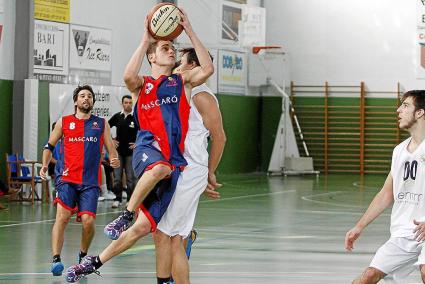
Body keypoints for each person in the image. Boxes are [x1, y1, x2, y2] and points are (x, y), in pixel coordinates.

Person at [64, 8, 213, 283]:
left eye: (172, 48)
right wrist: (146, 39)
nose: (171, 51)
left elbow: (208, 69)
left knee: (146, 228)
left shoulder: (181, 82)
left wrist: (190, 29)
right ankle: (125, 213)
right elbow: (128, 74)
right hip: (148, 150)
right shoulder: (142, 85)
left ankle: (91, 262)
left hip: (175, 164)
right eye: (165, 47)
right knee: (159, 171)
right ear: (152, 57)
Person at [154, 47, 226, 284]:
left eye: (181, 62)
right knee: (176, 237)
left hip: (192, 170)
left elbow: (220, 137)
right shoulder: (183, 92)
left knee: (164, 233)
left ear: (194, 66)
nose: (176, 67)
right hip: (181, 170)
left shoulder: (202, 96)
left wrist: (209, 173)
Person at [345, 90, 425, 283]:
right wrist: (359, 226)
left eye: (405, 105)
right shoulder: (399, 151)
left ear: (420, 112)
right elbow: (386, 193)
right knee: (369, 276)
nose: (398, 110)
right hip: (405, 231)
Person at [40, 85, 120, 277]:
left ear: (93, 102)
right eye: (82, 96)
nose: (86, 99)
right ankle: (56, 259)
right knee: (62, 217)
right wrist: (44, 165)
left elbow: (111, 149)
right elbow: (48, 146)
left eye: (90, 96)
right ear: (76, 101)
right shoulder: (64, 122)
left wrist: (115, 158)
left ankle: (83, 256)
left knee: (88, 222)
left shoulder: (101, 123)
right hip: (66, 178)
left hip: (90, 182)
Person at [108, 95, 138, 208]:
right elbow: (106, 128)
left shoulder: (136, 117)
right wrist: (111, 140)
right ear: (122, 104)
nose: (128, 104)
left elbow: (144, 132)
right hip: (118, 153)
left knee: (130, 178)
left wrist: (137, 143)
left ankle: (130, 200)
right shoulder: (117, 117)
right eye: (126, 102)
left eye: (130, 102)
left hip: (131, 154)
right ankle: (117, 199)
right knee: (117, 178)